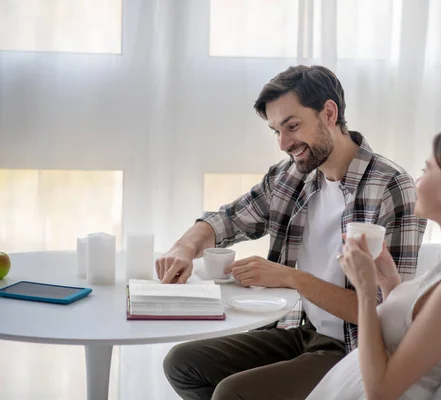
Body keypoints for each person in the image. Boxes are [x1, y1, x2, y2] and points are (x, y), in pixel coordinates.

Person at [157, 65, 427, 400]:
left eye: (293, 126)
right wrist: (184, 247)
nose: (284, 143)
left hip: (355, 350)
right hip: (301, 332)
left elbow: (386, 312)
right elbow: (227, 219)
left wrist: (290, 277)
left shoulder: (390, 187)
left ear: (329, 113)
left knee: (232, 394)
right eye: (276, 131)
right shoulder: (292, 177)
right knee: (182, 363)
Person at [307, 129, 441, 400]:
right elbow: (416, 327)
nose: (416, 180)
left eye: (426, 170)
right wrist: (388, 280)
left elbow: (381, 392)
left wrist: (365, 290)